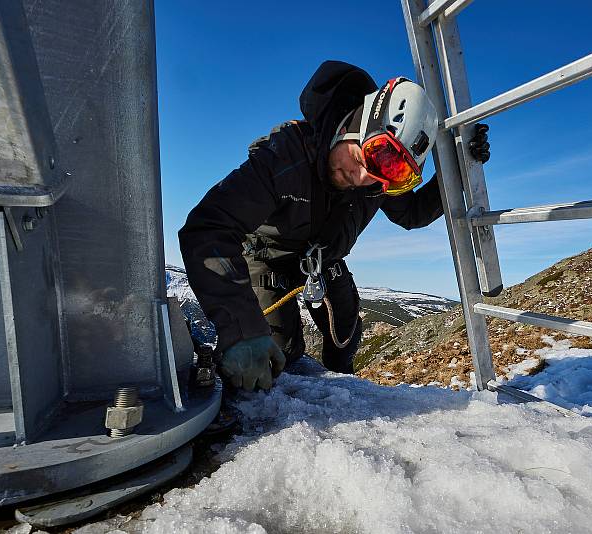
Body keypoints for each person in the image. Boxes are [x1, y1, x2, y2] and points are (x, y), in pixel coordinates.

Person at [179, 61, 489, 392]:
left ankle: (340, 386)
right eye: (360, 159)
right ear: (352, 126)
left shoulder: (375, 176)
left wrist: (456, 170)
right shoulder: (285, 155)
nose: (361, 179)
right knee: (278, 355)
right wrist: (242, 331)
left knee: (345, 334)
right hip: (267, 259)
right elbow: (209, 227)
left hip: (323, 261)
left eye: (389, 177)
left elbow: (411, 213)